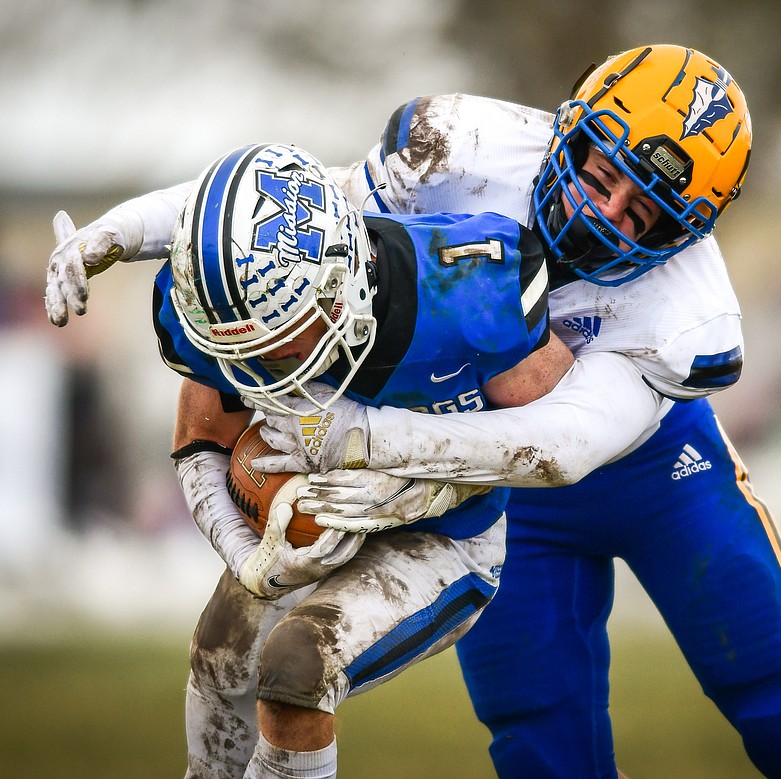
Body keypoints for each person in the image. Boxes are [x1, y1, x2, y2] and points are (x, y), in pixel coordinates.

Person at [45, 45, 781, 778]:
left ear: (685, 232)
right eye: (601, 172)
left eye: (642, 213)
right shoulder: (460, 147)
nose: (605, 213)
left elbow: (555, 444)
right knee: (544, 749)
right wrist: (113, 234)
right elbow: (296, 216)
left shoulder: (692, 316)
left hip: (648, 471)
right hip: (491, 488)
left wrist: (367, 438)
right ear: (568, 126)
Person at [53, 140, 573, 778]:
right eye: (242, 351)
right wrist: (248, 556)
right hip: (303, 522)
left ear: (342, 278)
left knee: (299, 667)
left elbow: (555, 440)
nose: (262, 369)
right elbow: (200, 442)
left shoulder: (463, 288)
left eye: (281, 336)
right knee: (219, 654)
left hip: (444, 536)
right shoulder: (220, 309)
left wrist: (425, 485)